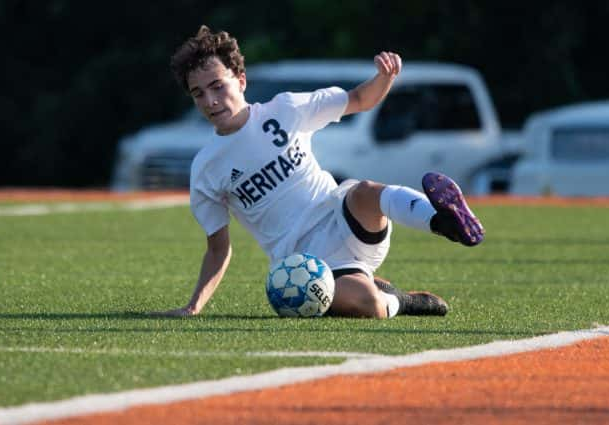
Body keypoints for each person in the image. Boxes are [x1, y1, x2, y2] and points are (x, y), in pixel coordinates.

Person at [154, 26, 484, 319]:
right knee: (367, 303)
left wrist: (384, 78)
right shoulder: (205, 168)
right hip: (306, 266)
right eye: (198, 94)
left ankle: (444, 222)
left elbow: (358, 99)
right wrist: (193, 306)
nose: (211, 101)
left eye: (217, 86)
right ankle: (404, 300)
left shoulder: (286, 110)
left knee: (366, 191)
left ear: (240, 81)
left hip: (345, 217)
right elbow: (218, 249)